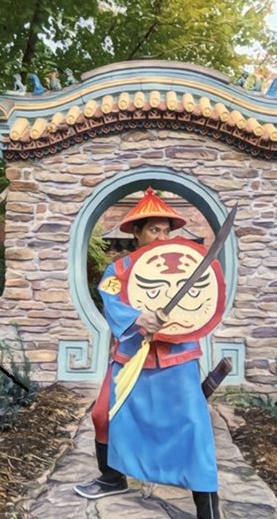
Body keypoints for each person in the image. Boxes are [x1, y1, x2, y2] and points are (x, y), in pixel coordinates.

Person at [74, 188, 223, 519]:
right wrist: (138, 317)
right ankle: (112, 478)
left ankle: (208, 508)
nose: (162, 236)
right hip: (132, 355)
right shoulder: (119, 269)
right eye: (154, 229)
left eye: (166, 230)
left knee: (193, 428)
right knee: (102, 414)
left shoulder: (188, 266)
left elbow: (202, 301)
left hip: (177, 357)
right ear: (136, 232)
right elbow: (111, 299)